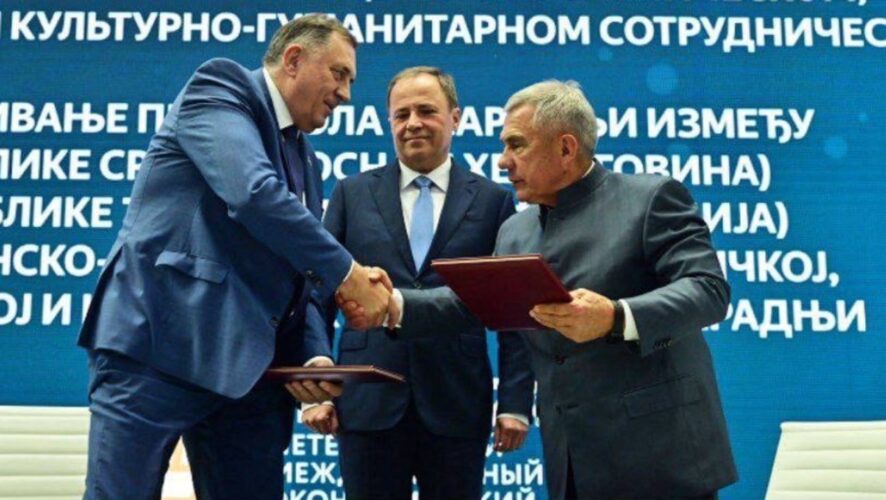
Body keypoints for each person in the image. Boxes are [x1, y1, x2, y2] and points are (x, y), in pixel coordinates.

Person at [77, 15, 392, 500]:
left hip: (249, 377)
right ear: (293, 59)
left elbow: (301, 274)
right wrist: (348, 274)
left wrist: (312, 354)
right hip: (156, 347)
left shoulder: (306, 159)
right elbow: (251, 194)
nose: (346, 94)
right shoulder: (221, 88)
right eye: (339, 74)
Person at [394, 80, 738, 499]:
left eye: (516, 145)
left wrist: (615, 317)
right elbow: (474, 304)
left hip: (661, 460)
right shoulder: (515, 230)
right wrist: (393, 305)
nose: (502, 161)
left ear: (566, 148)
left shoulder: (650, 198)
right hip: (572, 463)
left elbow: (707, 289)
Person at [303, 67, 534, 499]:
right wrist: (317, 389)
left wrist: (516, 404)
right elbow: (316, 298)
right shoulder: (352, 194)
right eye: (401, 114)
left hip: (457, 401)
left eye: (426, 111)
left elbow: (511, 312)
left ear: (456, 118)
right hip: (366, 401)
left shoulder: (493, 202)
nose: (413, 123)